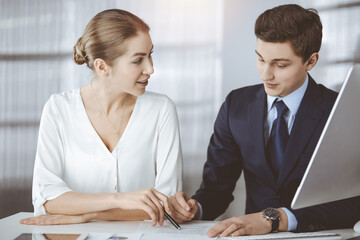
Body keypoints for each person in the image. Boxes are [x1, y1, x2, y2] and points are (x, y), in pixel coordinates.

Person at [168, 4, 360, 237]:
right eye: (260, 59)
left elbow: (353, 202)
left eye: (280, 65)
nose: (265, 74)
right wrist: (193, 208)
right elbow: (216, 189)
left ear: (311, 61)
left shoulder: (342, 110)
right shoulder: (236, 105)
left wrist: (278, 219)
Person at [19, 9, 183, 226]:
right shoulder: (59, 109)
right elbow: (47, 198)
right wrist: (121, 200)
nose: (150, 69)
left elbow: (167, 204)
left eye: (150, 54)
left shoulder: (161, 109)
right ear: (102, 67)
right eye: (138, 60)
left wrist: (87, 213)